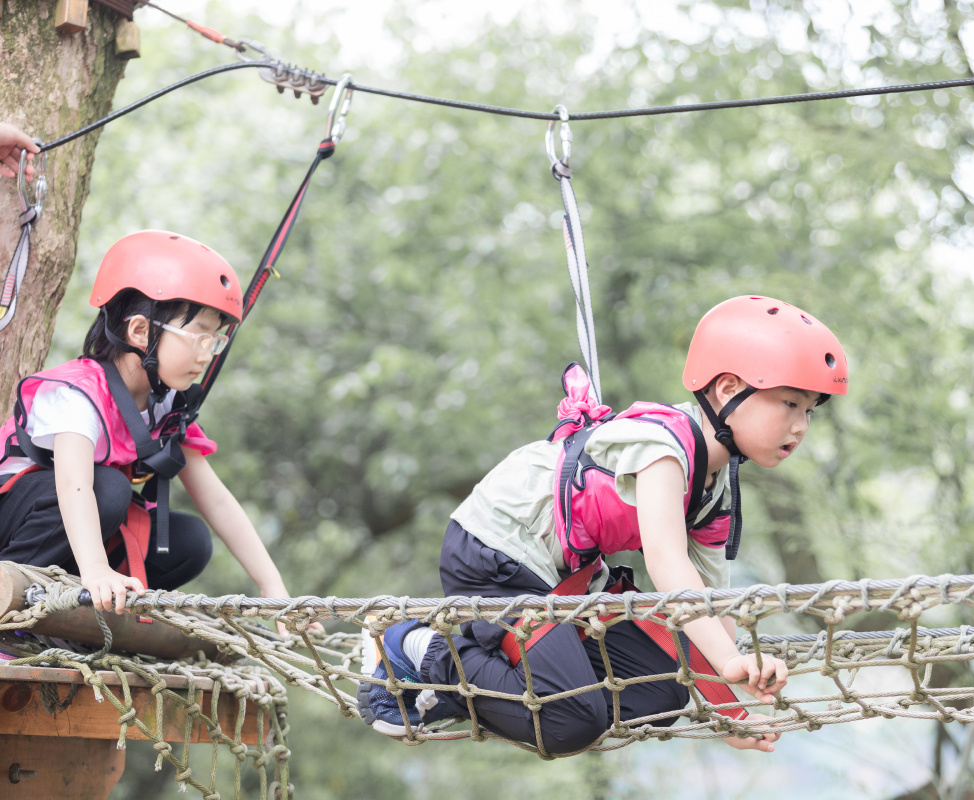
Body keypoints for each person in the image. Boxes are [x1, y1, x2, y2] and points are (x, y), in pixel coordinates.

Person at [359, 295, 850, 754]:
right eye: (789, 403)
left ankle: (469, 682)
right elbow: (666, 564)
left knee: (659, 692)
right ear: (728, 389)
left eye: (809, 411)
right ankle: (415, 647)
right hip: (496, 554)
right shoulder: (664, 448)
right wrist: (728, 665)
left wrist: (731, 707)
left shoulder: (716, 488)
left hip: (562, 578)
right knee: (568, 719)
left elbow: (709, 598)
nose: (801, 426)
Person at [0, 230, 295, 617]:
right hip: (16, 521)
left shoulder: (166, 409)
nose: (207, 355)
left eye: (215, 341)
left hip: (74, 535)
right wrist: (96, 570)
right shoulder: (79, 395)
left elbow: (218, 501)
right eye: (198, 337)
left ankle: (79, 616)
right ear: (140, 331)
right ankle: (13, 605)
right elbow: (74, 486)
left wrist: (272, 587)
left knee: (189, 540)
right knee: (108, 488)